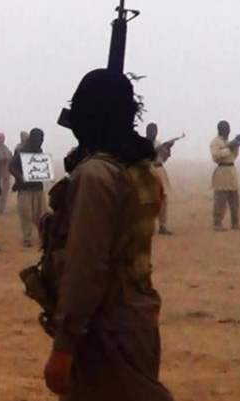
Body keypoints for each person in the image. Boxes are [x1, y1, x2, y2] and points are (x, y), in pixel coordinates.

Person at [42, 69, 173, 401]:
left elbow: (86, 267)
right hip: (137, 321)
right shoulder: (139, 168)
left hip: (105, 329)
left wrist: (64, 344)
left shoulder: (96, 175)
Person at [9, 128, 47, 247]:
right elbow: (11, 166)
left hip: (38, 187)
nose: (40, 141)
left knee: (40, 214)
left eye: (42, 139)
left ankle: (44, 235)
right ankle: (27, 237)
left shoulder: (39, 151)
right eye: (39, 138)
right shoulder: (22, 152)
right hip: (25, 188)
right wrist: (20, 176)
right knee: (26, 213)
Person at [210, 120, 240, 231]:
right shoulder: (215, 142)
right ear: (220, 130)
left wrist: (236, 146)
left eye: (228, 129)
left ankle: (235, 223)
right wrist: (229, 149)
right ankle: (217, 223)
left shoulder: (228, 142)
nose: (228, 131)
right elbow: (216, 155)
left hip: (231, 171)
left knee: (235, 200)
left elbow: (234, 157)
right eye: (225, 129)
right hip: (221, 171)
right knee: (220, 199)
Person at [146, 123, 173, 235]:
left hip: (159, 170)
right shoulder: (143, 144)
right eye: (151, 130)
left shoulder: (159, 143)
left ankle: (163, 225)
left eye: (155, 130)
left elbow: (164, 158)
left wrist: (168, 148)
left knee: (163, 199)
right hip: (148, 170)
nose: (154, 133)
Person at [0, 132, 13, 215]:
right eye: (0, 138)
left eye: (3, 138)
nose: (2, 140)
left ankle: (2, 209)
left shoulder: (5, 148)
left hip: (6, 173)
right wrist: (1, 159)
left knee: (5, 192)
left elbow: (9, 156)